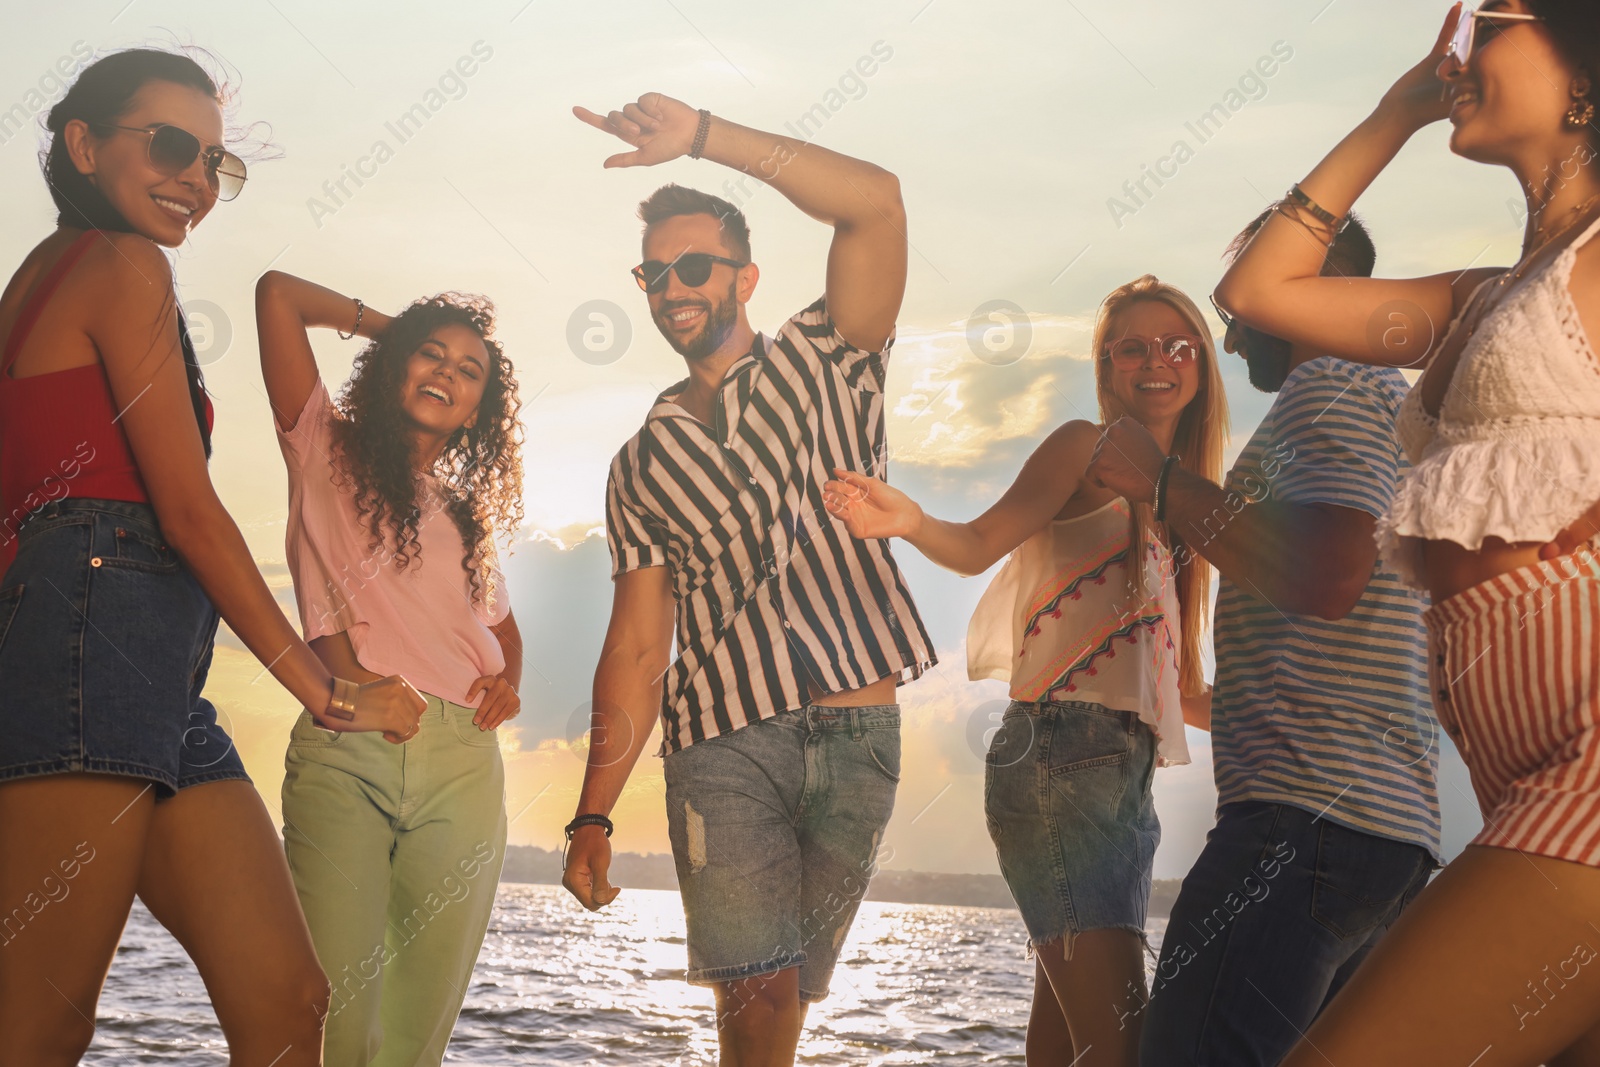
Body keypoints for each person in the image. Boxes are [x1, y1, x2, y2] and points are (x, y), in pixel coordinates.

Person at [0, 48, 424, 1066]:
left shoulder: (45, 278)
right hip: (87, 651)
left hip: (152, 676)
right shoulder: (118, 264)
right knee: (42, 1020)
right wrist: (323, 687)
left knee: (288, 998)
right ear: (85, 145)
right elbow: (189, 514)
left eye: (217, 164)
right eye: (174, 147)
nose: (198, 179)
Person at [1208, 3, 1600, 1062]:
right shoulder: (1483, 297)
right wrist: (1393, 113)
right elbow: (1258, 290)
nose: (1464, 45)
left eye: (1499, 22)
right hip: (1517, 776)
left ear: (1582, 70)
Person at [558, 93, 935, 1065]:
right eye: (654, 272)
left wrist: (703, 139)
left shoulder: (831, 355)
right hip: (722, 740)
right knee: (754, 1001)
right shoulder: (640, 462)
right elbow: (639, 644)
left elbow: (877, 205)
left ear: (745, 275)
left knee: (789, 1002)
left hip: (860, 733)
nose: (672, 287)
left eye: (693, 266)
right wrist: (594, 810)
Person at [823, 274, 1226, 1067]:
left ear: (1201, 366)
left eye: (1178, 346)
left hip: (1125, 784)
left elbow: (1182, 693)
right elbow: (978, 542)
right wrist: (907, 518)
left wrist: (1308, 709)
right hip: (1058, 761)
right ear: (1106, 365)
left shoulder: (1178, 509)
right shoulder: (1087, 446)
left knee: (1069, 1049)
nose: (1158, 361)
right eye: (1133, 346)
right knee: (1125, 1044)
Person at [1090, 213, 1444, 1065]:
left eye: (1244, 303)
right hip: (1375, 835)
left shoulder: (1334, 385)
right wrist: (1189, 700)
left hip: (1304, 830)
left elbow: (1328, 575)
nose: (1233, 331)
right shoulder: (1391, 408)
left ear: (1311, 292)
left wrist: (1164, 483)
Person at [257, 271, 525, 1066]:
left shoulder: (467, 514)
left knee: (412, 1040)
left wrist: (508, 681)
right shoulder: (320, 441)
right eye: (430, 356)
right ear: (395, 363)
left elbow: (503, 630)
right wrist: (393, 328)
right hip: (348, 739)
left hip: (463, 764)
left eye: (468, 370)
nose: (446, 373)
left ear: (479, 410)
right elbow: (277, 295)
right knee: (330, 1014)